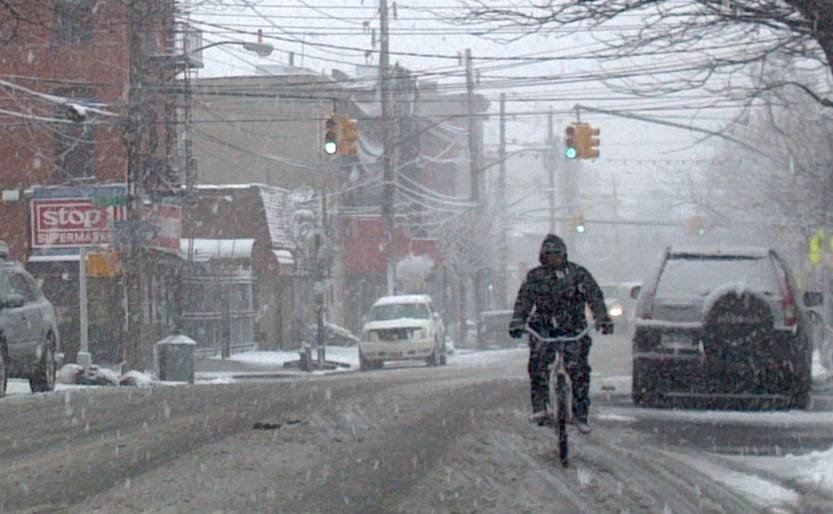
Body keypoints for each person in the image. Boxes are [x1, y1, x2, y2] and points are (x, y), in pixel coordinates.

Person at [508, 234, 613, 434]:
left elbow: (594, 297)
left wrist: (602, 317)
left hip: (574, 328)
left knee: (579, 369)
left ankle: (580, 413)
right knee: (538, 364)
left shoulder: (578, 275)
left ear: (564, 255)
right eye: (549, 255)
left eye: (557, 255)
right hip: (543, 329)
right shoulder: (535, 277)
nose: (553, 259)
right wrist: (518, 321)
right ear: (543, 257)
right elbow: (524, 301)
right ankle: (540, 407)